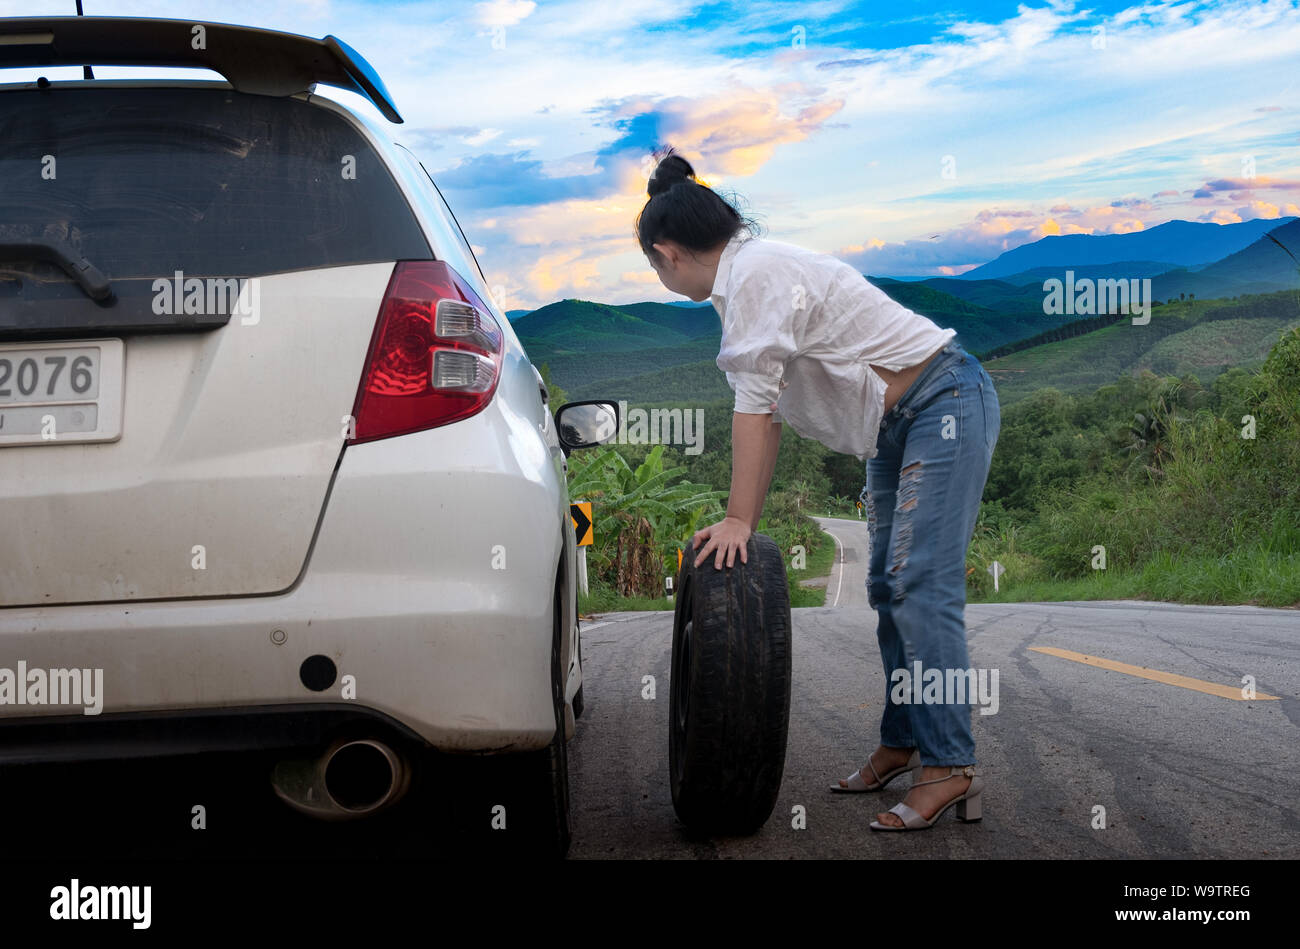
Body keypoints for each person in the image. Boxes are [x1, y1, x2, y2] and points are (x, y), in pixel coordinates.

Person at [636, 147, 1000, 831]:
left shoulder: (757, 275)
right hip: (896, 430)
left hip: (942, 404)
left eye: (651, 264)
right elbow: (766, 404)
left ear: (667, 252)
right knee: (889, 590)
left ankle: (950, 768)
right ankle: (903, 740)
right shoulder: (747, 278)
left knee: (920, 584)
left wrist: (739, 520)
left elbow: (754, 407)